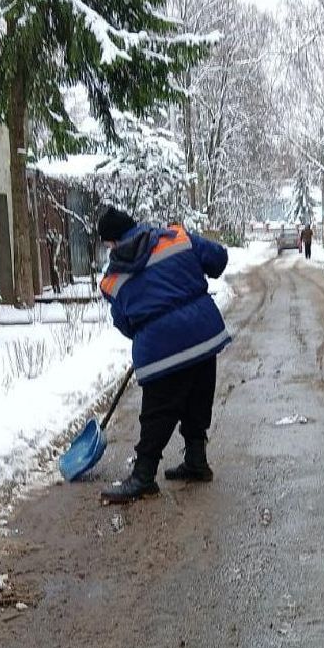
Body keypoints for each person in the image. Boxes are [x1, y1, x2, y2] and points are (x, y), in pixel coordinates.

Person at [96, 206, 231, 505]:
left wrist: (152, 328)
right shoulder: (176, 238)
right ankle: (196, 460)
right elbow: (218, 260)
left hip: (161, 348)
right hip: (203, 334)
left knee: (157, 412)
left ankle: (143, 477)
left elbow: (124, 323)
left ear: (112, 242)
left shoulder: (113, 278)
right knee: (197, 397)